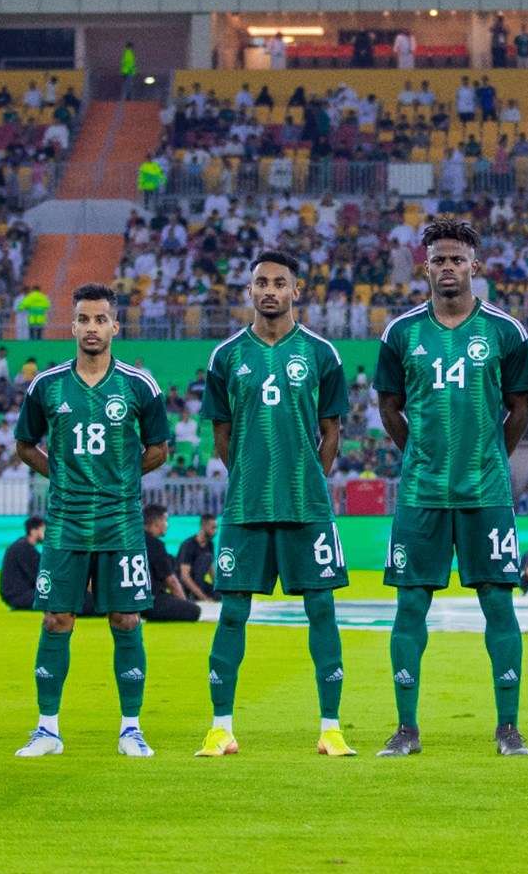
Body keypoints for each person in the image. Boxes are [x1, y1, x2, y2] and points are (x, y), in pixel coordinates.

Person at [374, 219, 528, 757]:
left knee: (499, 605)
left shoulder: (505, 332)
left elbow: (520, 408)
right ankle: (406, 729)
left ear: (475, 265)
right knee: (409, 606)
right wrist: (421, 454)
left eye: (457, 259)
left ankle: (508, 728)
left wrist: (488, 456)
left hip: (485, 492)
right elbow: (390, 409)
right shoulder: (401, 334)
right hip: (422, 492)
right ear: (425, 266)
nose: (448, 268)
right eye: (438, 259)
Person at [195, 250, 353, 758]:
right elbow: (223, 435)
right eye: (260, 282)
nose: (269, 291)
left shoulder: (322, 354)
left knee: (322, 608)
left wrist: (309, 475)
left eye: (278, 283)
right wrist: (249, 472)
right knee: (233, 612)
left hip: (307, 505)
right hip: (246, 505)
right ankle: (221, 729)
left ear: (295, 290)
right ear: (248, 290)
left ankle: (331, 728)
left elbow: (332, 431)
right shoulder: (226, 357)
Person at [12, 284, 171, 758]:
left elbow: (159, 449)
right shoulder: (48, 385)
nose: (92, 328)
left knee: (126, 619)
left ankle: (131, 728)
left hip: (121, 523)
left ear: (115, 326)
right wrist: (61, 475)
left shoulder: (140, 385)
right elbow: (25, 445)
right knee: (57, 618)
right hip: (64, 522)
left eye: (101, 319)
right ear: (73, 325)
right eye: (84, 319)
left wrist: (121, 480)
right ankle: (46, 729)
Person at [142, 505, 200, 623]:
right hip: (150, 601)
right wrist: (183, 603)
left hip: (128, 602)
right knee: (194, 610)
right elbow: (171, 581)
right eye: (165, 520)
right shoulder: (156, 545)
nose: (167, 524)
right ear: (157, 522)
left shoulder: (132, 543)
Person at [0, 517, 45, 611]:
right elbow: (39, 576)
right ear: (33, 531)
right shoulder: (24, 549)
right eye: (43, 530)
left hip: (15, 594)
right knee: (59, 597)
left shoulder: (21, 546)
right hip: (19, 596)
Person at [177, 512, 219, 601]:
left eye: (216, 528)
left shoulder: (210, 544)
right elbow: (184, 577)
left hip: (200, 583)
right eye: (213, 528)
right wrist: (203, 597)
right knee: (205, 557)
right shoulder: (188, 545)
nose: (215, 531)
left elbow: (211, 570)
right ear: (204, 526)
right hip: (185, 586)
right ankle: (192, 597)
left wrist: (218, 588)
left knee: (219, 595)